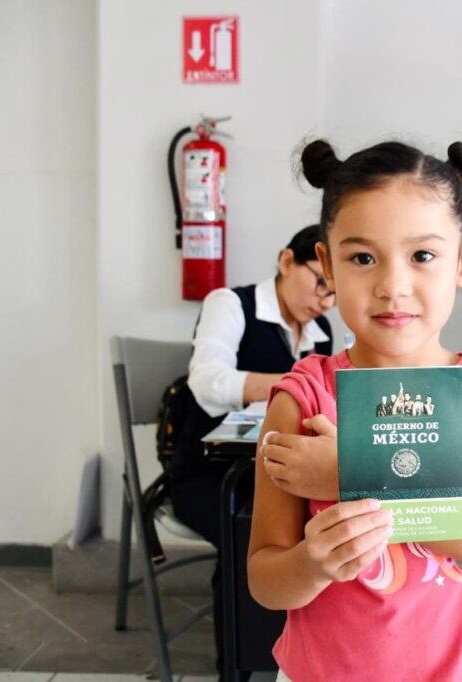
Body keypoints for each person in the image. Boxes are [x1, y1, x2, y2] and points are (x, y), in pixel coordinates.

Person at [247, 139, 462, 681]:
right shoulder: (304, 397)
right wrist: (309, 565)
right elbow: (266, 580)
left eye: (423, 256)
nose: (393, 286)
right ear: (327, 265)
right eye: (362, 258)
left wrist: (349, 471)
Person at [169, 224, 336, 675]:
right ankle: (238, 666)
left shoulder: (320, 333)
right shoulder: (231, 304)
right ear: (286, 262)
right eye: (319, 281)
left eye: (333, 292)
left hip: (277, 473)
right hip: (208, 472)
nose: (324, 301)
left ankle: (302, 655)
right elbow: (205, 382)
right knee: (244, 533)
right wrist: (291, 388)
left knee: (324, 528)